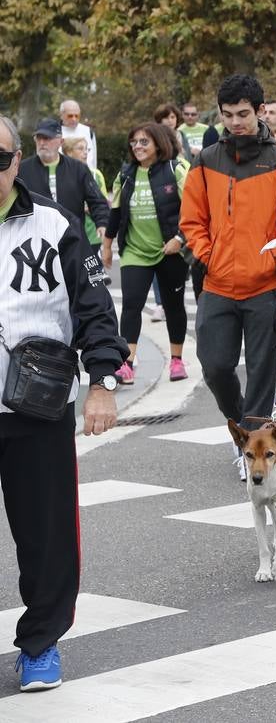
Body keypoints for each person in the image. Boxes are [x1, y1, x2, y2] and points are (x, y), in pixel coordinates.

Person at [0, 113, 126, 693]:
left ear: (18, 161)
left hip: (37, 406)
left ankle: (41, 642)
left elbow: (94, 308)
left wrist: (102, 381)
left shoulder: (55, 225)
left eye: (0, 160)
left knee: (46, 535)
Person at [180, 74, 276, 479]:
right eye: (228, 115)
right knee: (214, 366)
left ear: (260, 111)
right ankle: (247, 436)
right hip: (216, 283)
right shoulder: (205, 161)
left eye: (244, 114)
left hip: (265, 286)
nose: (236, 122)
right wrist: (207, 254)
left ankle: (253, 448)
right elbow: (192, 219)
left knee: (261, 375)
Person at [102, 124, 191, 385]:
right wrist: (107, 246)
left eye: (144, 142)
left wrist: (179, 239)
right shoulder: (126, 174)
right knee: (131, 304)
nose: (137, 147)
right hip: (134, 251)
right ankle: (127, 363)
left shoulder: (176, 170)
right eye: (134, 142)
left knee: (173, 306)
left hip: (169, 251)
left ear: (159, 143)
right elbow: (115, 212)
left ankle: (176, 360)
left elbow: (192, 210)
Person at [18, 119, 108, 246]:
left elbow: (96, 200)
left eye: (47, 138)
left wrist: (102, 223)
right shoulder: (22, 169)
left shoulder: (78, 168)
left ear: (61, 141)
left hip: (71, 239)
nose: (42, 143)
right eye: (39, 138)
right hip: (35, 242)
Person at [64, 137, 104, 248]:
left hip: (92, 236)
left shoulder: (96, 174)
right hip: (70, 235)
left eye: (87, 149)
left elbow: (103, 204)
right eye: (80, 149)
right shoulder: (60, 175)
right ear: (69, 152)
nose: (85, 152)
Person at [58, 99, 96, 172]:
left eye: (77, 116)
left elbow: (93, 161)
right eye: (70, 116)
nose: (74, 119)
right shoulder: (53, 133)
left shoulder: (88, 131)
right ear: (61, 115)